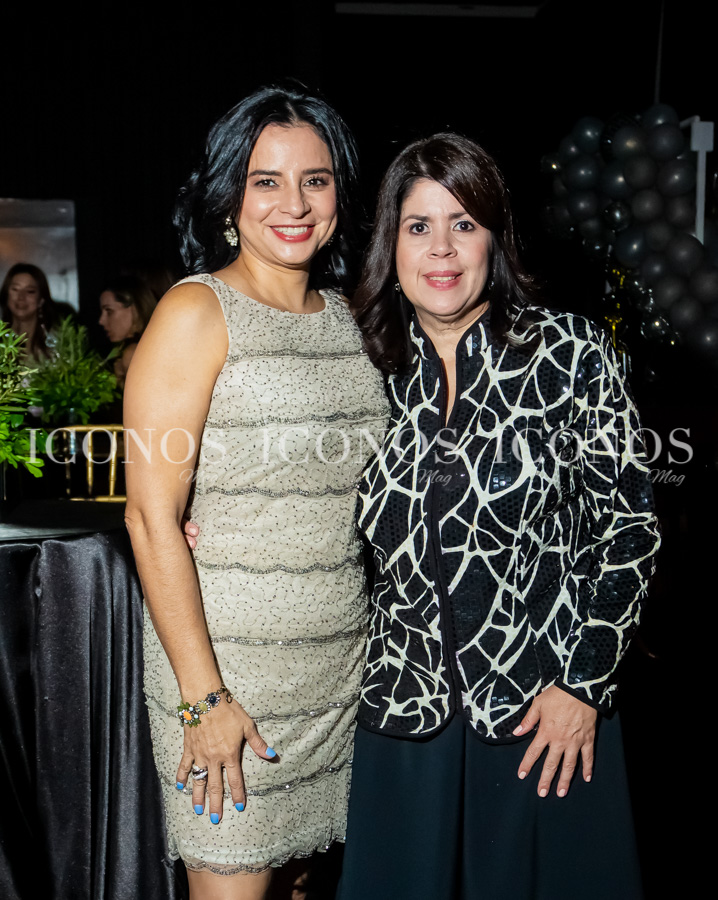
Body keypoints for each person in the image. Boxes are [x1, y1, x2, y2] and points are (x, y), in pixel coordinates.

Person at [337, 133, 661, 900]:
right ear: (391, 243)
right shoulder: (364, 368)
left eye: (465, 223)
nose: (441, 250)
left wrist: (583, 686)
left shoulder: (572, 354)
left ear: (495, 236)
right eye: (419, 226)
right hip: (403, 720)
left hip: (543, 721)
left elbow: (629, 529)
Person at [123, 84, 389, 900]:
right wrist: (204, 700)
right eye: (265, 180)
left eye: (316, 179)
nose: (294, 203)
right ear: (228, 197)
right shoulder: (195, 311)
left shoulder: (353, 317)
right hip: (229, 674)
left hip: (339, 674)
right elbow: (151, 517)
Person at [98, 273, 157, 385]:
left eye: (109, 311)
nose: (101, 321)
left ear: (134, 309)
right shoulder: (151, 344)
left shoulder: (132, 353)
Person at [0, 262, 60, 359]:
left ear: (41, 300)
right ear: (6, 294)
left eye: (30, 291)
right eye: (15, 289)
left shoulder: (55, 342)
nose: (21, 297)